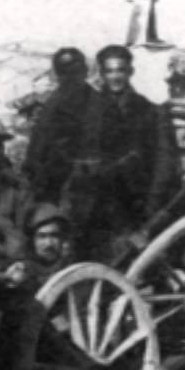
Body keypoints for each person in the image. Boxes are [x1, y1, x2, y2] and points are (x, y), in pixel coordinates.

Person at [68, 44, 170, 262]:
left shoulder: (149, 110)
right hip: (96, 206)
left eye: (121, 70)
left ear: (130, 71)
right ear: (101, 73)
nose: (115, 77)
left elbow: (162, 161)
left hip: (136, 203)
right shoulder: (87, 110)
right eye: (109, 71)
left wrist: (152, 204)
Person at [24, 47, 95, 204]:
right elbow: (36, 154)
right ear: (58, 75)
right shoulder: (51, 108)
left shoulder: (100, 103)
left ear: (85, 71)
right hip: (58, 185)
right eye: (65, 72)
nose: (71, 78)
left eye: (76, 71)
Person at [24, 203, 74, 288]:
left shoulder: (74, 272)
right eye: (42, 236)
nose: (49, 243)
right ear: (32, 240)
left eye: (54, 236)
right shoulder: (23, 270)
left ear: (62, 239)